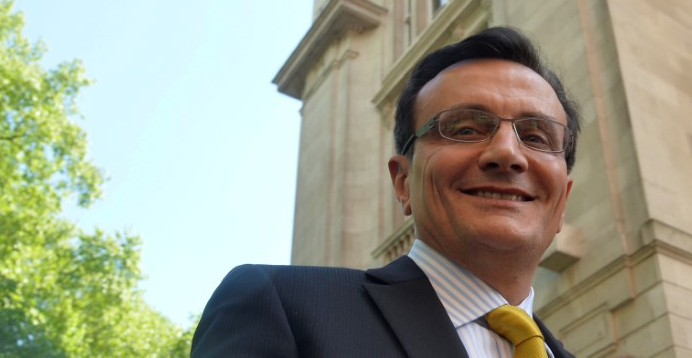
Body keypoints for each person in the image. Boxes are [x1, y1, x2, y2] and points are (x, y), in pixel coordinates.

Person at [191, 26, 580, 357]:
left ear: (562, 199)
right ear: (403, 182)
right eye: (464, 129)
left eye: (535, 136)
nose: (507, 154)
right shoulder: (280, 307)